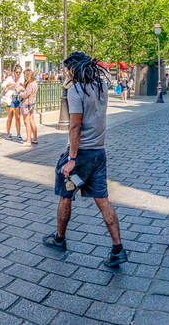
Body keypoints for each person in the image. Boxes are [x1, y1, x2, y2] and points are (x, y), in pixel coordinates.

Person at [43, 52, 128, 268]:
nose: (66, 73)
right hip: (99, 154)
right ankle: (118, 248)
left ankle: (60, 239)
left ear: (74, 69)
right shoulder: (101, 88)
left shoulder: (75, 91)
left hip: (80, 156)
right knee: (103, 199)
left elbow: (75, 126)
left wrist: (71, 159)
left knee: (65, 195)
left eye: (67, 69)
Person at [3, 66, 22, 142]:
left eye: (19, 72)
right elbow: (3, 85)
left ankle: (18, 134)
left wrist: (20, 88)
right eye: (17, 72)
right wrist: (9, 84)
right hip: (11, 99)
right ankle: (8, 133)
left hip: (18, 98)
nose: (18, 74)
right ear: (14, 72)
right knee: (10, 116)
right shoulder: (10, 78)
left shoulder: (21, 79)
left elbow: (23, 87)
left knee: (17, 117)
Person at [20, 69, 39, 144]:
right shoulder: (34, 83)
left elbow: (25, 94)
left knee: (26, 122)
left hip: (26, 104)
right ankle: (35, 138)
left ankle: (28, 141)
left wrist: (20, 92)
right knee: (32, 121)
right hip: (32, 103)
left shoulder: (30, 84)